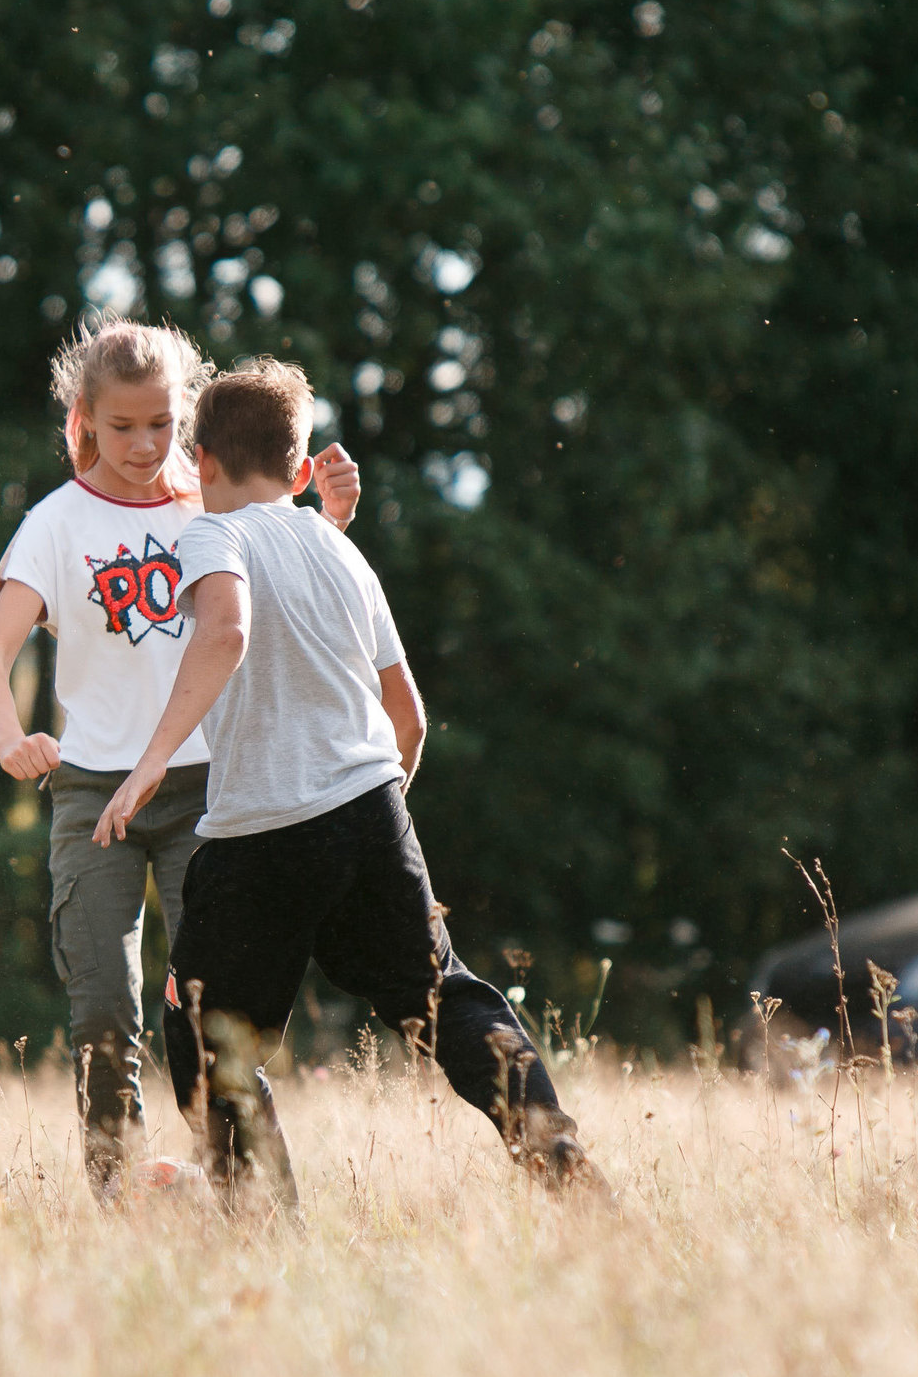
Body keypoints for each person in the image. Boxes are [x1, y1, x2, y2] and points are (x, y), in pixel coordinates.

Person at [93, 358, 607, 1206]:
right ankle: (559, 1159)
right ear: (299, 470)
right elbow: (406, 714)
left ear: (204, 464)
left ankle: (262, 1220)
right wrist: (379, 820)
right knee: (444, 1001)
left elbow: (223, 631)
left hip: (260, 833)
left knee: (203, 1042)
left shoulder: (211, 536)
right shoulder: (340, 551)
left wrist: (151, 762)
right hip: (372, 810)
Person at [0, 316, 359, 1197]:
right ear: (85, 421)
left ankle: (246, 1194)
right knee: (104, 1008)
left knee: (211, 1008)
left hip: (211, 796)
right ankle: (116, 1200)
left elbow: (296, 581)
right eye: (122, 427)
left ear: (186, 418)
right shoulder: (55, 525)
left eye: (161, 424)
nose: (145, 445)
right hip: (93, 794)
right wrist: (8, 739)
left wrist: (329, 518)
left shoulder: (208, 506)